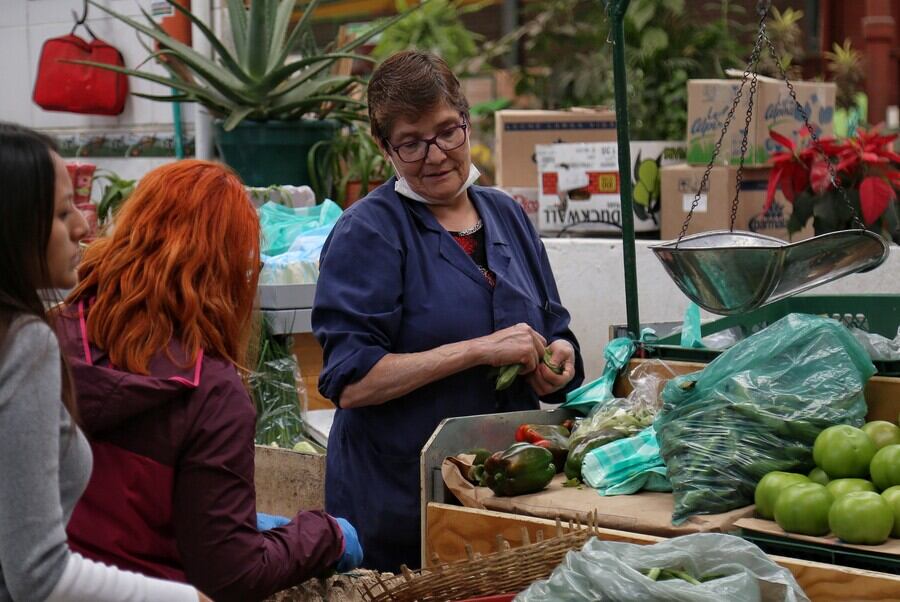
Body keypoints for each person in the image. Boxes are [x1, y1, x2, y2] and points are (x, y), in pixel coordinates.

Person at [312, 51, 585, 572]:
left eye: (446, 132)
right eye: (411, 143)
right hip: (398, 506)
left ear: (466, 119)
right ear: (384, 147)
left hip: (503, 497)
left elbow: (554, 325)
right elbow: (351, 381)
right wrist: (477, 351)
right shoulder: (368, 233)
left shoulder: (505, 214)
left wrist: (560, 357)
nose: (435, 155)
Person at [54, 159, 362, 602]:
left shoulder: (50, 334)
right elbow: (230, 574)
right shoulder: (210, 392)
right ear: (230, 271)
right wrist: (326, 535)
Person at [0, 122, 206, 601]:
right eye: (60, 211)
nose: (82, 226)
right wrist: (187, 599)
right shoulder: (24, 343)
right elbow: (39, 573)